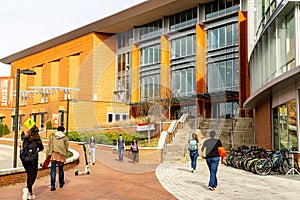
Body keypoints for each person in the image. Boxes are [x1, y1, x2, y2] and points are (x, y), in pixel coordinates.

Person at [21, 126, 44, 200]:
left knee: (29, 175)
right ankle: (27, 189)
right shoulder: (37, 140)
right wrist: (36, 150)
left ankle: (30, 193)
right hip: (33, 160)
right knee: (33, 176)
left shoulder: (25, 139)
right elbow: (41, 148)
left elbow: (24, 148)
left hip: (25, 160)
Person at [46, 126, 69, 191]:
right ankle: (61, 183)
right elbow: (66, 147)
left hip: (54, 154)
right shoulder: (65, 138)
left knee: (53, 170)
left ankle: (52, 185)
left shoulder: (52, 137)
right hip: (61, 155)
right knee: (61, 169)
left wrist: (48, 155)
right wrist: (65, 154)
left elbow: (49, 147)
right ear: (63, 131)